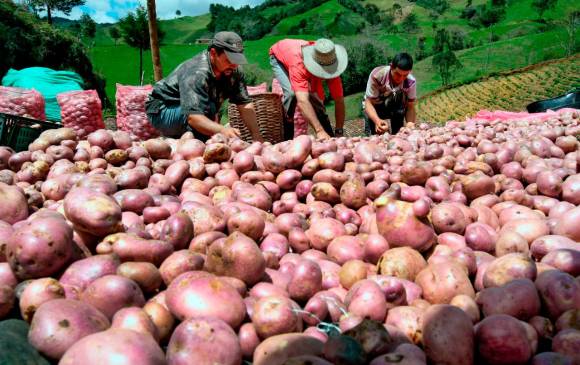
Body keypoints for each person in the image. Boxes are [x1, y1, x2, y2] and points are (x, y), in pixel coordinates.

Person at [146, 31, 263, 142]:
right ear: (213, 53)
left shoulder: (234, 70)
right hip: (162, 109)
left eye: (237, 60)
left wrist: (257, 136)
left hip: (190, 108)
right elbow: (194, 117)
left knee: (209, 111)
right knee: (207, 110)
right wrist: (222, 130)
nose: (234, 64)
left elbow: (244, 104)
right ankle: (194, 145)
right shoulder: (196, 73)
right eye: (229, 60)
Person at [269, 38, 348, 140]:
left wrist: (339, 131)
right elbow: (302, 100)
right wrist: (319, 131)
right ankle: (287, 133)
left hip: (297, 54)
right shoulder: (298, 65)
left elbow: (339, 101)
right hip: (278, 56)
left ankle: (329, 134)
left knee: (315, 99)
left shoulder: (329, 62)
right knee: (291, 94)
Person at [363, 52, 417, 136]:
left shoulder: (410, 81)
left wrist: (410, 123)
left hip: (395, 108)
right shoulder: (377, 75)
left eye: (405, 75)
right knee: (373, 137)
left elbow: (410, 106)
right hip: (375, 105)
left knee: (399, 136)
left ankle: (397, 131)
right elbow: (368, 102)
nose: (401, 79)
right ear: (391, 66)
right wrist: (377, 121)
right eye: (398, 74)